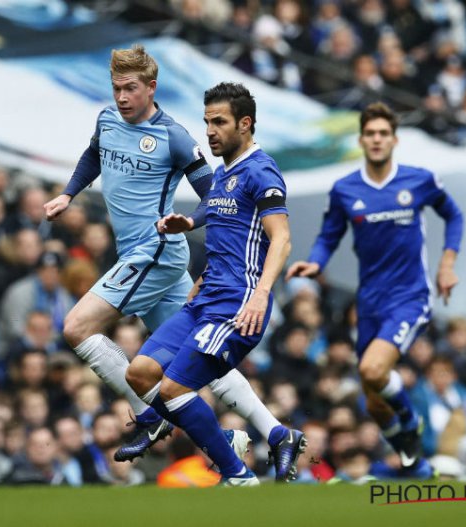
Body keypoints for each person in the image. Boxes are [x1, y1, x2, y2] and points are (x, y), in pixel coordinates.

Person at [44, 45, 302, 479]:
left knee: (76, 328)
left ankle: (150, 415)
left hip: (155, 251)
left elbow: (222, 202)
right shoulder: (107, 120)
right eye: (117, 88)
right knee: (195, 362)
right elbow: (94, 155)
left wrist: (248, 280)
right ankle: (272, 433)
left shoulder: (179, 138)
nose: (122, 97)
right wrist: (69, 193)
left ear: (151, 88)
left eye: (130, 88)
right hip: (163, 263)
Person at [124, 82, 302, 485]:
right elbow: (224, 218)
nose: (210, 131)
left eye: (219, 122)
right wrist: (190, 224)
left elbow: (282, 238)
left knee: (172, 389)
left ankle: (238, 474)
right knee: (139, 373)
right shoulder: (225, 172)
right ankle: (266, 437)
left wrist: (260, 295)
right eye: (206, 122)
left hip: (238, 305)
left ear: (245, 123)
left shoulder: (261, 170)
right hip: (206, 298)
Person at [286, 101, 463, 478]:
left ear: (394, 139)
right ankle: (409, 454)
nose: (377, 139)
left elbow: (454, 215)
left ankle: (412, 427)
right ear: (362, 139)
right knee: (373, 397)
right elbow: (329, 235)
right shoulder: (345, 189)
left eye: (384, 133)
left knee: (371, 368)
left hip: (410, 296)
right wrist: (316, 262)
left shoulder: (419, 180)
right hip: (369, 302)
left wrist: (447, 264)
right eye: (371, 134)